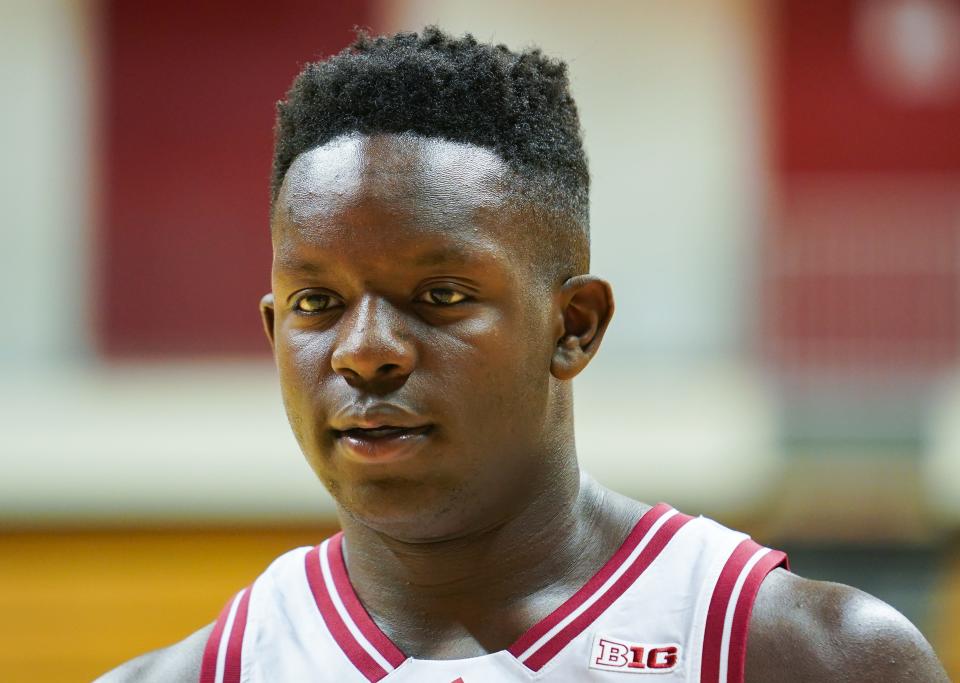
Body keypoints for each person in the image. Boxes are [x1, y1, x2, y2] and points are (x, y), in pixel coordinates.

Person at [97, 27, 949, 683]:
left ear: (573, 324)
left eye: (440, 297)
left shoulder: (808, 657)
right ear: (275, 330)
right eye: (317, 303)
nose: (365, 353)